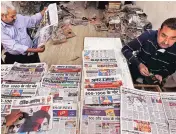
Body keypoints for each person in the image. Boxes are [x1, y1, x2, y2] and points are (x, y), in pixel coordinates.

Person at [121, 18, 176, 84]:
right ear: (158, 31)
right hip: (134, 71)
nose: (166, 42)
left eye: (172, 38)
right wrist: (139, 64)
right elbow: (126, 49)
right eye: (163, 35)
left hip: (154, 79)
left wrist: (162, 74)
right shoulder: (148, 36)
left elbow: (172, 67)